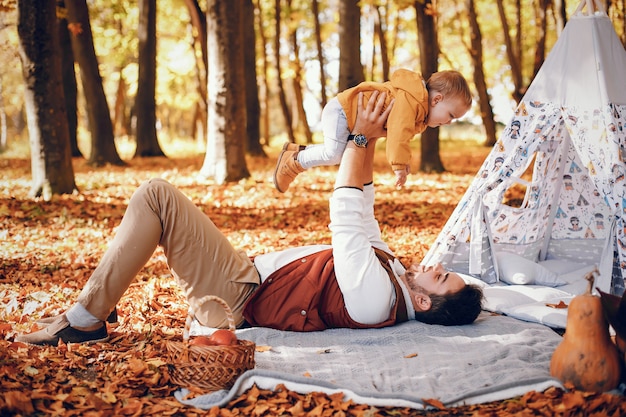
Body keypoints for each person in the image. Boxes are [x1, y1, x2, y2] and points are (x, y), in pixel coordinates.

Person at [15, 92, 483, 346]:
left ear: (422, 303)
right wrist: (370, 138)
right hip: (247, 273)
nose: (440, 267)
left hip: (238, 296)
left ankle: (85, 319)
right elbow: (362, 209)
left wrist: (359, 140)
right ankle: (104, 297)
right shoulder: (395, 273)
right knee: (158, 198)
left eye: (443, 280)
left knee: (156, 194)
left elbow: (343, 217)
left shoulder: (376, 301)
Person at [273, 69, 473, 193]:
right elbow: (398, 132)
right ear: (436, 99)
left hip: (347, 114)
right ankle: (294, 163)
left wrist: (404, 159)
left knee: (342, 152)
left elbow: (401, 136)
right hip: (343, 111)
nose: (449, 122)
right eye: (451, 115)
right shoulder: (411, 101)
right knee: (335, 154)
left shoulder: (416, 107)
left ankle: (296, 150)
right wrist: (399, 165)